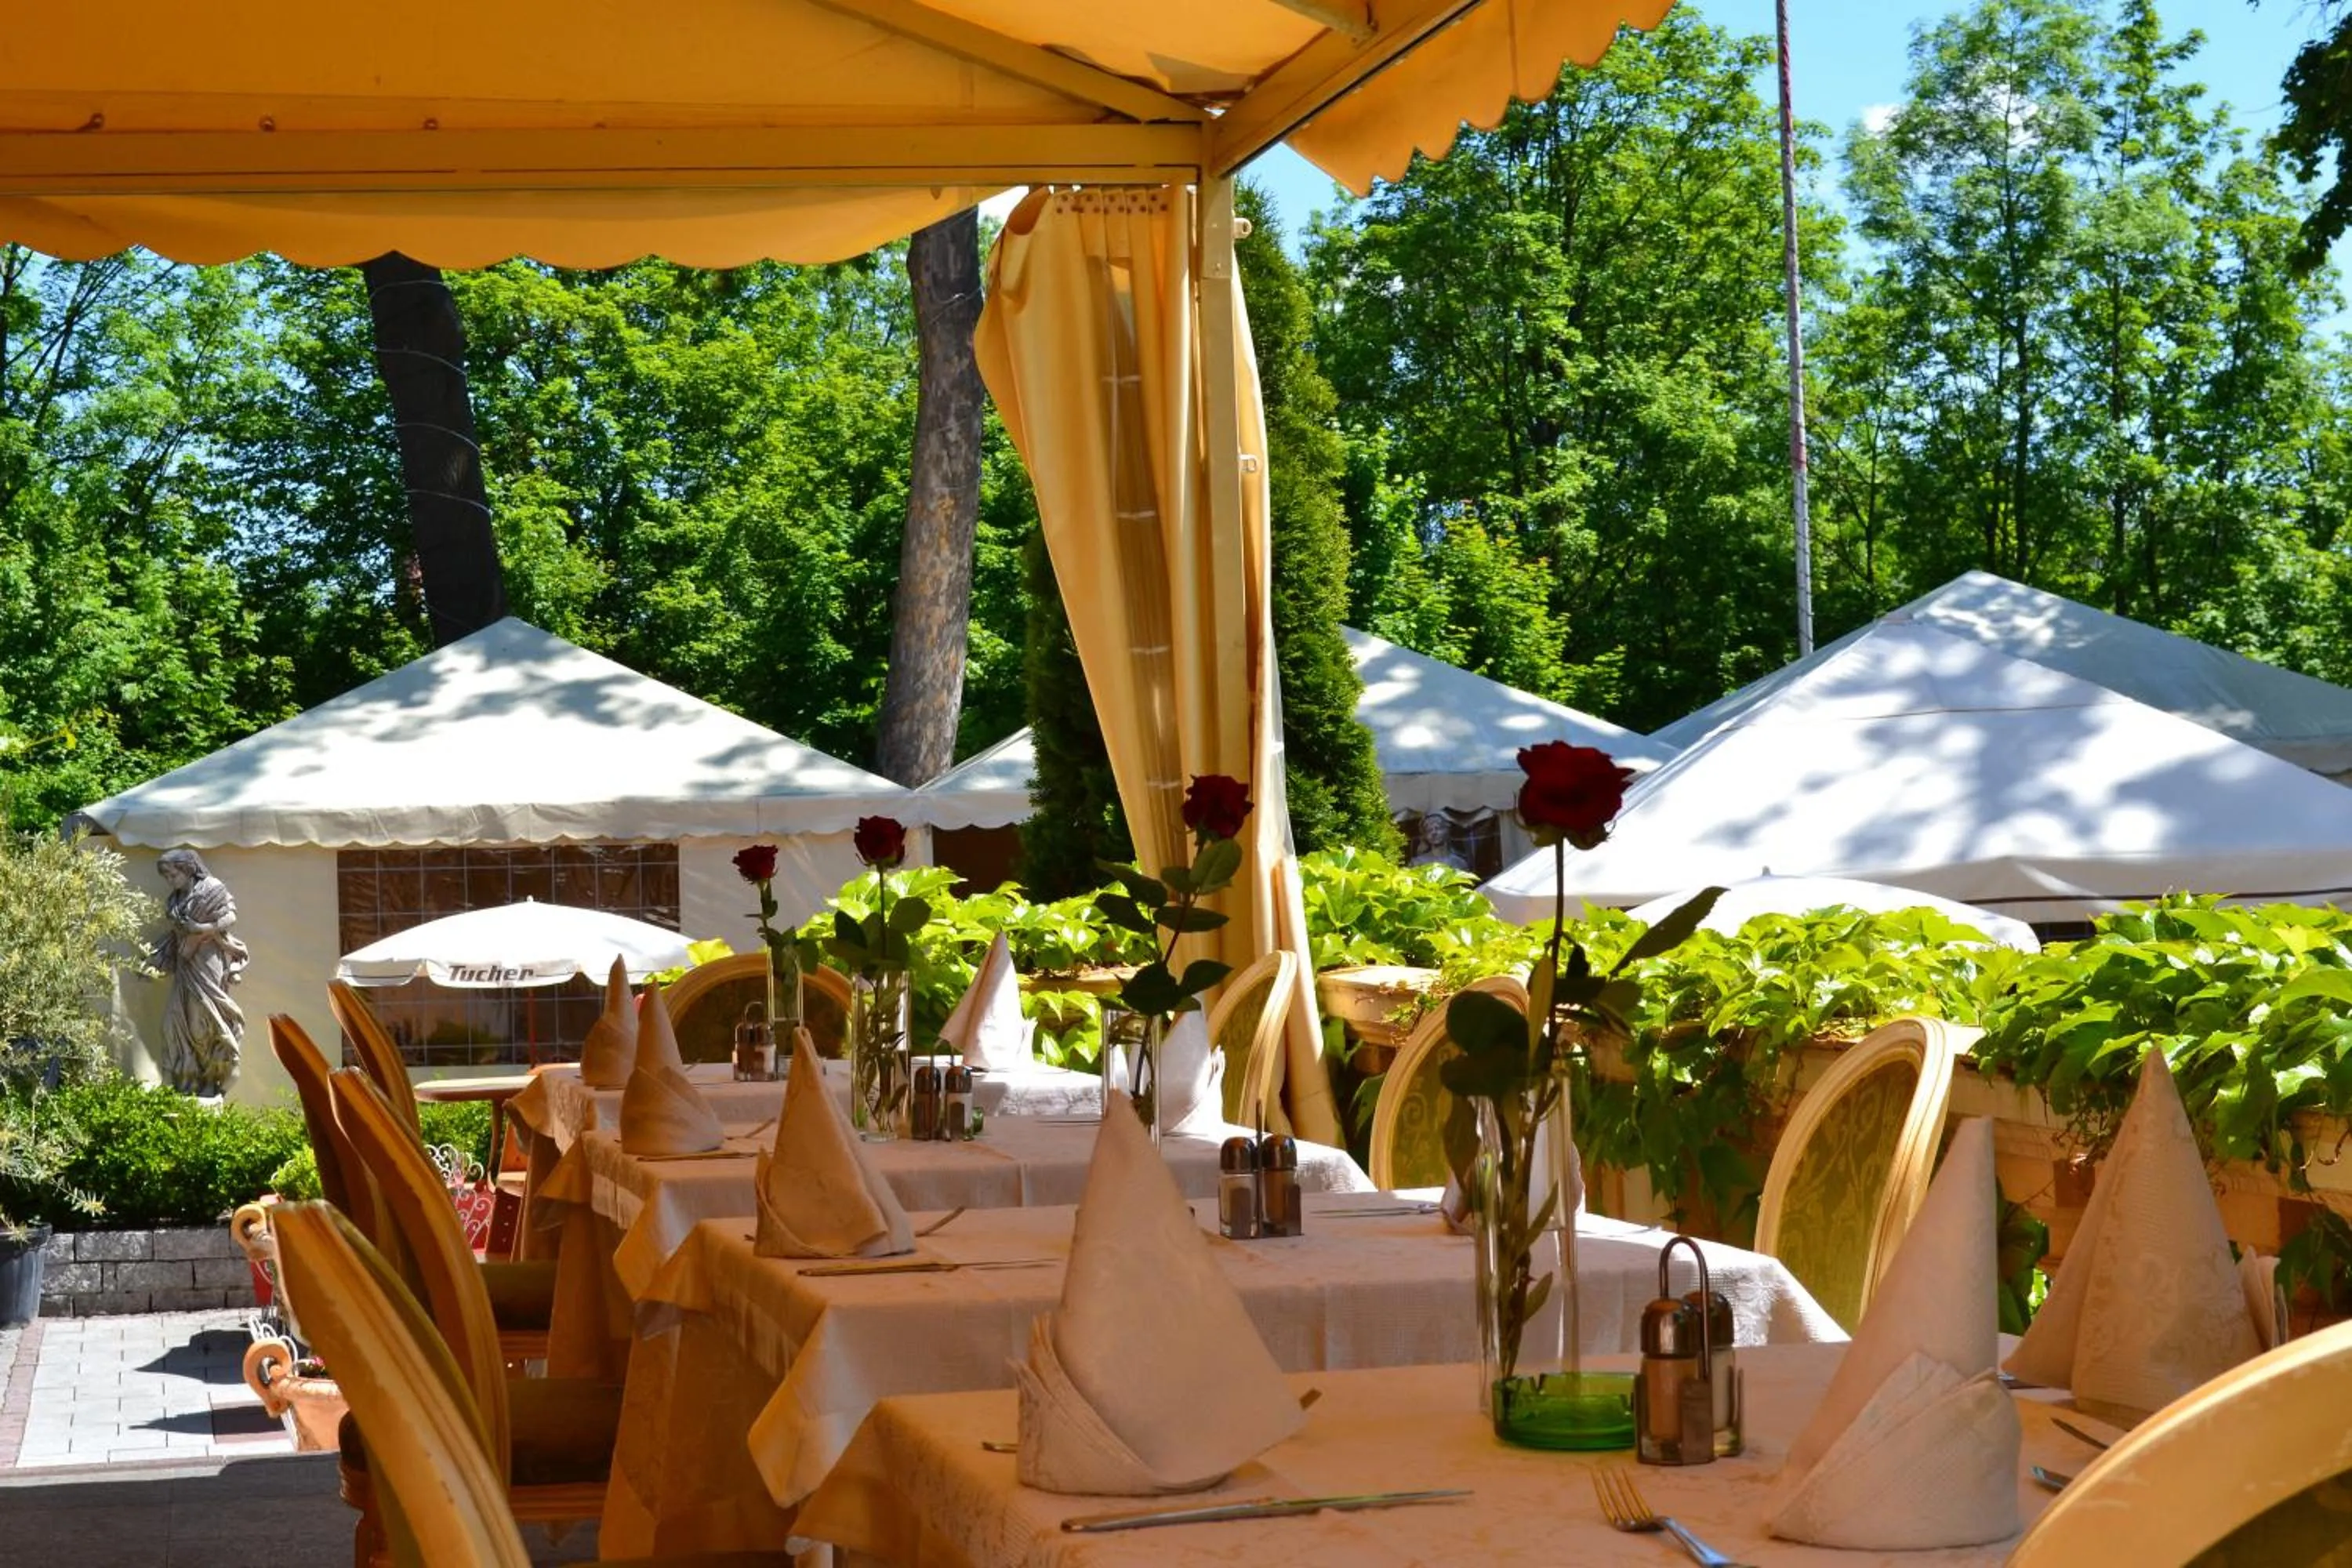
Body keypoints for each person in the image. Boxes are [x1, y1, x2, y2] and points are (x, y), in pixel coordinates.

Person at [155, 848, 250, 1095]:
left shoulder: (212, 888)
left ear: (187, 869)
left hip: (207, 959)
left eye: (173, 874)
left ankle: (210, 1078)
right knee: (172, 1022)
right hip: (184, 962)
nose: (170, 881)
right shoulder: (176, 896)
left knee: (203, 1019)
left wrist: (201, 928)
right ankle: (187, 1077)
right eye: (166, 877)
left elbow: (230, 917)